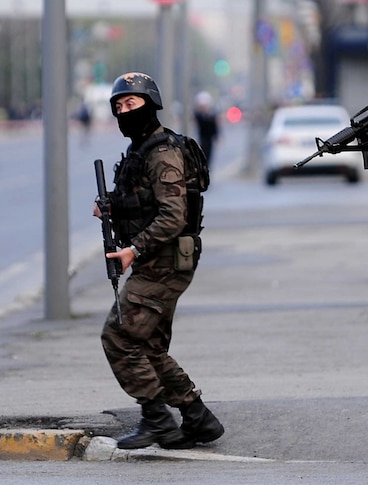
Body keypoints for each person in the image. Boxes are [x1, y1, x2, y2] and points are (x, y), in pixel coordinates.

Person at [94, 72, 223, 450]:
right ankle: (198, 419)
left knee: (118, 335)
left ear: (151, 105)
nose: (123, 111)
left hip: (165, 259)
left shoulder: (162, 151)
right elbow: (145, 202)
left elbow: (172, 215)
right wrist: (113, 208)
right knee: (147, 344)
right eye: (118, 106)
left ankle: (156, 419)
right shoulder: (142, 150)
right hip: (158, 257)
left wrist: (135, 248)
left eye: (131, 104)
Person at [192, 91, 219, 167]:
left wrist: (217, 136)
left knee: (208, 156)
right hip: (201, 138)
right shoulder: (198, 116)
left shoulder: (211, 116)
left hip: (209, 139)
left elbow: (214, 127)